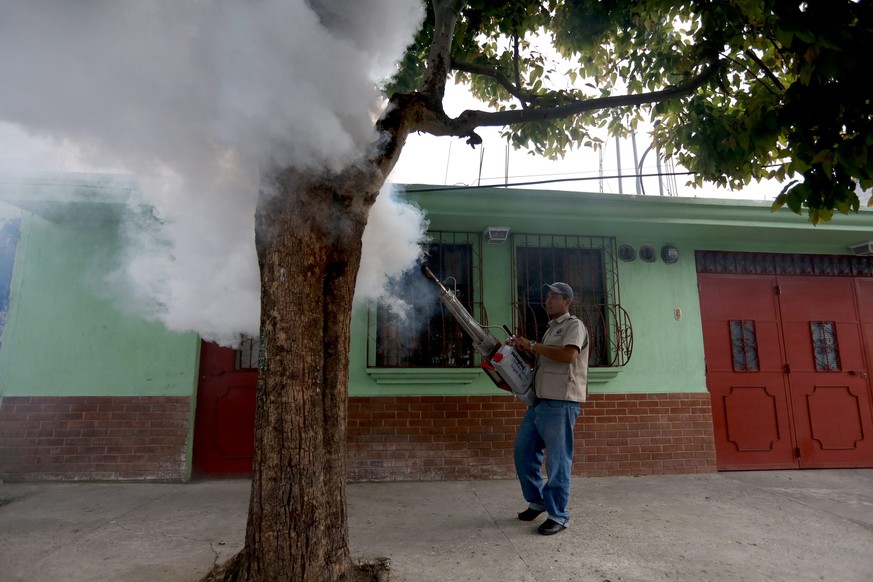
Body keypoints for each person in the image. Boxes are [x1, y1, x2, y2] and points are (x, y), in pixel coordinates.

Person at [511, 282, 589, 535]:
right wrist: (522, 349)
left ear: (567, 301)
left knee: (557, 461)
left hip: (561, 402)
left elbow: (568, 356)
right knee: (524, 451)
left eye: (555, 297)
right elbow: (545, 359)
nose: (548, 301)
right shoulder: (550, 330)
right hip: (539, 401)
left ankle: (558, 515)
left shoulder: (573, 325)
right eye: (547, 296)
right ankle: (538, 501)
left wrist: (533, 345)